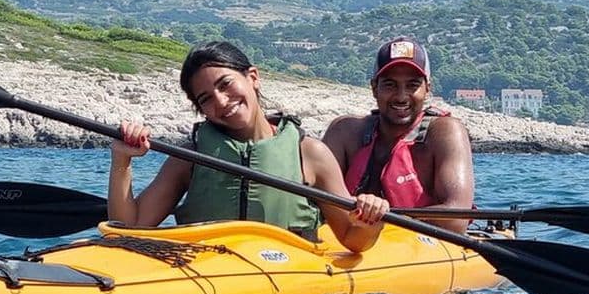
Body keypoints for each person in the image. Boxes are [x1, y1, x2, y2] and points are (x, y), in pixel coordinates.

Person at [108, 41, 390, 252]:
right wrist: (122, 161)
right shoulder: (191, 156)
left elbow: (353, 240)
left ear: (253, 77)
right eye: (205, 98)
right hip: (205, 272)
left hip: (288, 277)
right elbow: (128, 228)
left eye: (226, 84)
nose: (220, 101)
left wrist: (371, 218)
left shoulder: (310, 153)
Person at [323, 36, 474, 233]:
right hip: (346, 245)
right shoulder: (343, 131)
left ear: (428, 88)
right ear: (374, 88)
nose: (401, 96)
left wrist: (380, 217)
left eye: (412, 85)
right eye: (390, 84)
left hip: (422, 249)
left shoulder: (446, 133)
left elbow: (457, 218)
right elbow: (313, 201)